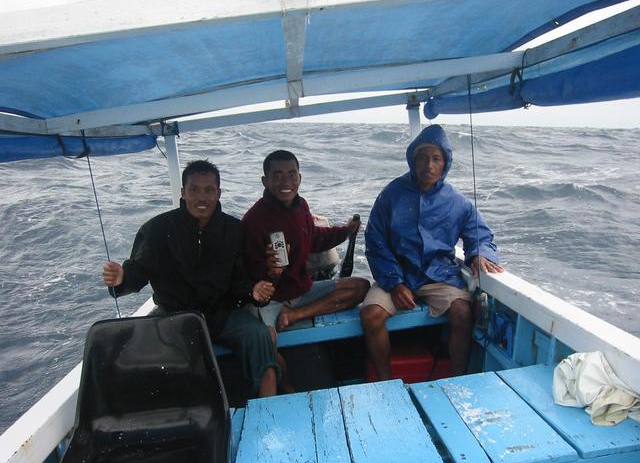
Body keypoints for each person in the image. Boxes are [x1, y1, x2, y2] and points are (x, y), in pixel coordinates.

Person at [102, 159, 279, 397]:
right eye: (194, 190)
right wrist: (122, 278)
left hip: (222, 316)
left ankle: (266, 407)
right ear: (183, 192)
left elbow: (241, 281)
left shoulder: (235, 231)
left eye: (209, 190)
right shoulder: (157, 229)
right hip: (174, 318)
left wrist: (254, 291)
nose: (201, 197)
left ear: (219, 193)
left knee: (259, 336)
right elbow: (138, 270)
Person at [361, 125, 504, 378]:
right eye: (422, 157)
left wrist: (480, 254)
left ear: (445, 163)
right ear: (412, 160)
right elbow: (375, 241)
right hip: (395, 275)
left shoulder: (457, 202)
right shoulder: (391, 195)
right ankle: (385, 383)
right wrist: (394, 283)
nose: (429, 165)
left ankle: (457, 380)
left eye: (436, 158)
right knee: (371, 316)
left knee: (462, 313)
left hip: (439, 275)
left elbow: (479, 234)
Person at [243, 150, 370, 334]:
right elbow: (246, 275)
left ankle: (294, 315)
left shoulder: (301, 205)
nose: (286, 182)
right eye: (277, 176)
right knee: (265, 341)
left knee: (361, 287)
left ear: (300, 178)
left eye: (292, 174)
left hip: (301, 291)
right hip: (270, 300)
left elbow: (314, 238)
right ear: (265, 181)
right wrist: (270, 271)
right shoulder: (253, 220)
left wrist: (346, 231)